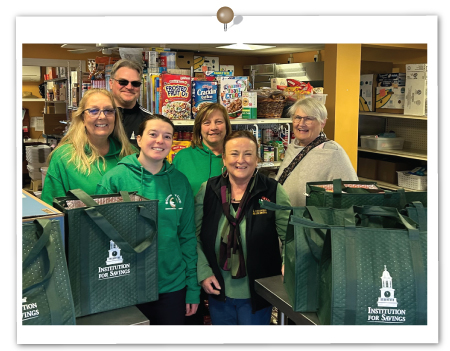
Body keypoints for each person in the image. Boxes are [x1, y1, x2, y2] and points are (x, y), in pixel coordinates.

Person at [96, 114, 199, 325]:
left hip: (171, 285)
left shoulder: (180, 182)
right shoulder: (115, 179)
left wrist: (192, 288)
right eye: (153, 134)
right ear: (140, 139)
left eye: (167, 136)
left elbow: (187, 237)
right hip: (125, 285)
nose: (160, 141)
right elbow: (98, 239)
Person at [195, 130, 291, 325]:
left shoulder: (272, 190)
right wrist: (203, 271)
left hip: (258, 291)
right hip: (217, 288)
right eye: (234, 153)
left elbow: (291, 236)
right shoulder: (208, 190)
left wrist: (288, 263)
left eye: (248, 154)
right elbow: (193, 236)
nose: (241, 160)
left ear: (257, 159)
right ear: (223, 157)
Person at [41, 88, 136, 206]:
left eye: (108, 111)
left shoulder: (130, 154)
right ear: (82, 118)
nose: (102, 116)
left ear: (115, 117)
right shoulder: (64, 157)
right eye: (94, 111)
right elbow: (52, 211)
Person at [275, 98, 358, 206]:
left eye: (308, 119)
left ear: (323, 122)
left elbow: (352, 193)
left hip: (311, 220)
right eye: (298, 117)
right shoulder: (293, 147)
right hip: (285, 218)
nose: (301, 124)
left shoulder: (332, 152)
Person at [173, 102, 232, 197]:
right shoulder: (183, 157)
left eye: (219, 122)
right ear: (199, 128)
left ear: (227, 125)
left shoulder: (237, 157)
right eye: (206, 123)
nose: (213, 127)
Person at [109, 59, 152, 144]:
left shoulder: (150, 120)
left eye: (135, 83)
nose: (129, 87)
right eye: (123, 82)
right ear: (111, 83)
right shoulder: (98, 116)